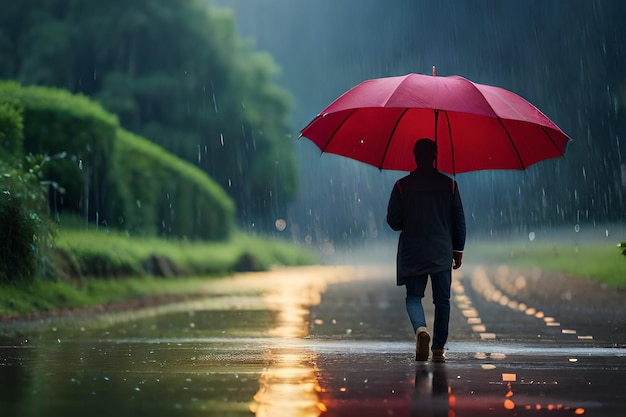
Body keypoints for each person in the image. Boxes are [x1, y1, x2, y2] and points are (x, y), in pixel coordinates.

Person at [386, 138, 466, 362]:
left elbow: (393, 221)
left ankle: (421, 329)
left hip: (413, 250)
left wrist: (408, 219)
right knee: (442, 300)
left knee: (413, 297)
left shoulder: (402, 186)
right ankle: (438, 348)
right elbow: (459, 221)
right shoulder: (449, 185)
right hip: (441, 250)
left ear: (414, 156)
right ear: (434, 156)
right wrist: (457, 250)